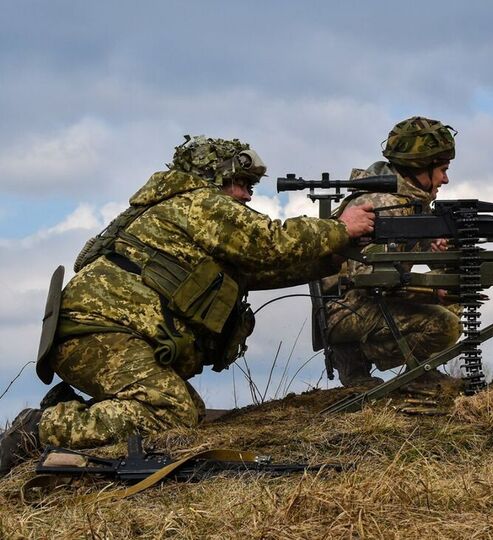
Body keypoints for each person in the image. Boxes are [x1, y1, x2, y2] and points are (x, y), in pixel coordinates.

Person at [0, 135, 375, 475]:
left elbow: (267, 268)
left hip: (105, 334)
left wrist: (337, 254)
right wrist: (340, 228)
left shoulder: (195, 215)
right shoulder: (198, 204)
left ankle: (63, 411)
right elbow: (270, 242)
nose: (247, 195)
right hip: (98, 331)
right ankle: (39, 428)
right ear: (214, 178)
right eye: (240, 184)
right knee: (168, 411)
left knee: (188, 412)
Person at [325, 116, 462, 386]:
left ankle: (416, 368)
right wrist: (433, 290)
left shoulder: (408, 201)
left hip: (366, 304)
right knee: (445, 324)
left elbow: (427, 259)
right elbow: (370, 279)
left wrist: (443, 253)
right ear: (422, 167)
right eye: (442, 169)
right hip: (349, 310)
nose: (446, 179)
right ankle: (356, 357)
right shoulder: (382, 205)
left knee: (455, 296)